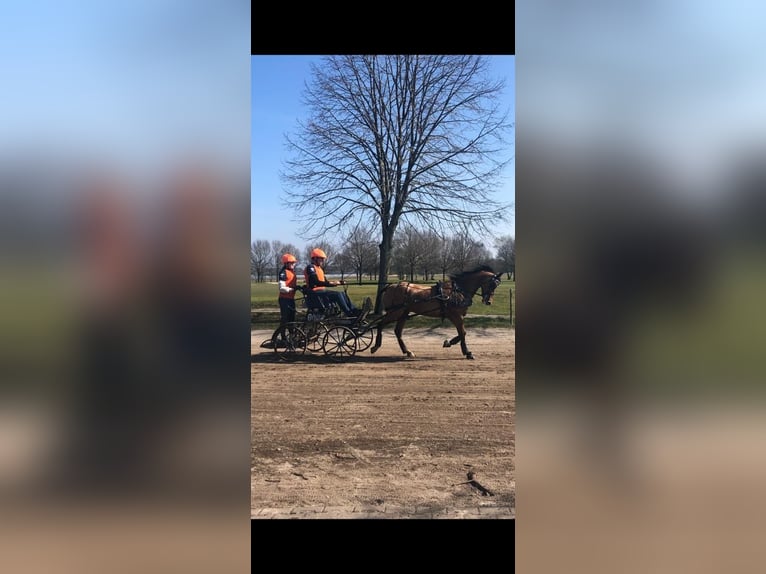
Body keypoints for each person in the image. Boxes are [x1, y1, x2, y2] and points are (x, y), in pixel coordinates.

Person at [303, 248, 361, 317]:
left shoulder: (319, 269)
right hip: (315, 293)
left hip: (322, 292)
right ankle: (348, 313)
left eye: (323, 259)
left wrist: (337, 282)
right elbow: (316, 282)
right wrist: (330, 283)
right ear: (315, 258)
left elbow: (325, 282)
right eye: (321, 259)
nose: (322, 261)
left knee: (342, 293)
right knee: (338, 294)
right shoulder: (311, 267)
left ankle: (354, 310)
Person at [277, 253, 299, 324]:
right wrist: (292, 289)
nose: (293, 264)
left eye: (294, 263)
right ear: (286, 263)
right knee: (285, 318)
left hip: (291, 298)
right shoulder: (283, 272)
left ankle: (291, 334)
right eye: (291, 263)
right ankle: (282, 334)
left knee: (292, 318)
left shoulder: (292, 272)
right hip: (284, 299)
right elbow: (282, 288)